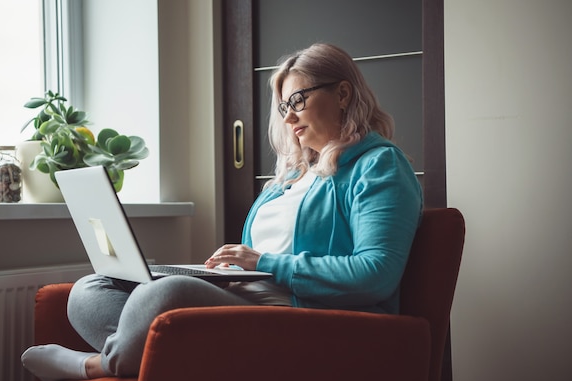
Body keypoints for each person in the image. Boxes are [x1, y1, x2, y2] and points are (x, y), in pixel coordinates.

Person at [21, 42, 423, 380]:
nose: (288, 116)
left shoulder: (378, 164)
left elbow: (377, 273)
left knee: (165, 293)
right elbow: (253, 264)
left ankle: (98, 365)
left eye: (298, 100)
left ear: (343, 94)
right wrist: (223, 271)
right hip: (244, 299)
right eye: (283, 106)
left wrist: (264, 261)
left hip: (304, 317)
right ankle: (157, 357)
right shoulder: (290, 179)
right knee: (93, 287)